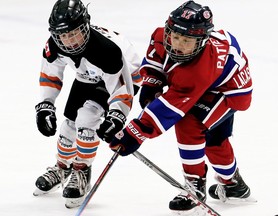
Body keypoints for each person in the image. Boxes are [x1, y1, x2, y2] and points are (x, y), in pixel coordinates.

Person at [109, 0, 252, 213]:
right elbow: (157, 62)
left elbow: (172, 106)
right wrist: (152, 83)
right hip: (207, 82)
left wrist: (136, 132)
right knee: (216, 142)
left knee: (189, 124)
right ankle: (234, 185)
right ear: (168, 31)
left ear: (202, 41)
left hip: (228, 91)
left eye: (187, 40)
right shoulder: (160, 36)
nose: (178, 45)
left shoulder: (200, 66)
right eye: (175, 37)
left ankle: (195, 186)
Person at [33, 0, 142, 208]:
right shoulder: (55, 44)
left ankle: (81, 169)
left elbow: (122, 90)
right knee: (69, 125)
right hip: (89, 73)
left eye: (74, 33)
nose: (69, 41)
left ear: (85, 26)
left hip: (125, 76)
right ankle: (63, 167)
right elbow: (50, 74)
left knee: (86, 118)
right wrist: (46, 105)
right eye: (63, 35)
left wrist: (116, 116)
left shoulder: (107, 51)